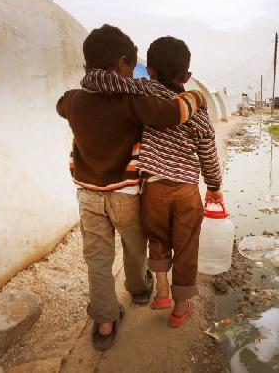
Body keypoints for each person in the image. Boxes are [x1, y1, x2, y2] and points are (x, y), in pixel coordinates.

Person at [57, 24, 204, 350]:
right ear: (121, 63)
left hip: (88, 196)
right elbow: (171, 113)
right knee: (135, 249)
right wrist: (195, 97)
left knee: (97, 260)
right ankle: (138, 290)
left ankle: (106, 323)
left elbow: (60, 104)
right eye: (131, 66)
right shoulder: (131, 101)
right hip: (125, 195)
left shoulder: (73, 101)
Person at [81, 36, 223, 328]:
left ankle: (160, 291)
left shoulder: (143, 92)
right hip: (185, 192)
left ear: (152, 72)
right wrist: (214, 186)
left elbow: (107, 82)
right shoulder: (198, 114)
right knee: (186, 249)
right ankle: (180, 309)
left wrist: (90, 73)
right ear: (187, 76)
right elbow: (208, 153)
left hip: (153, 189)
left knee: (157, 240)